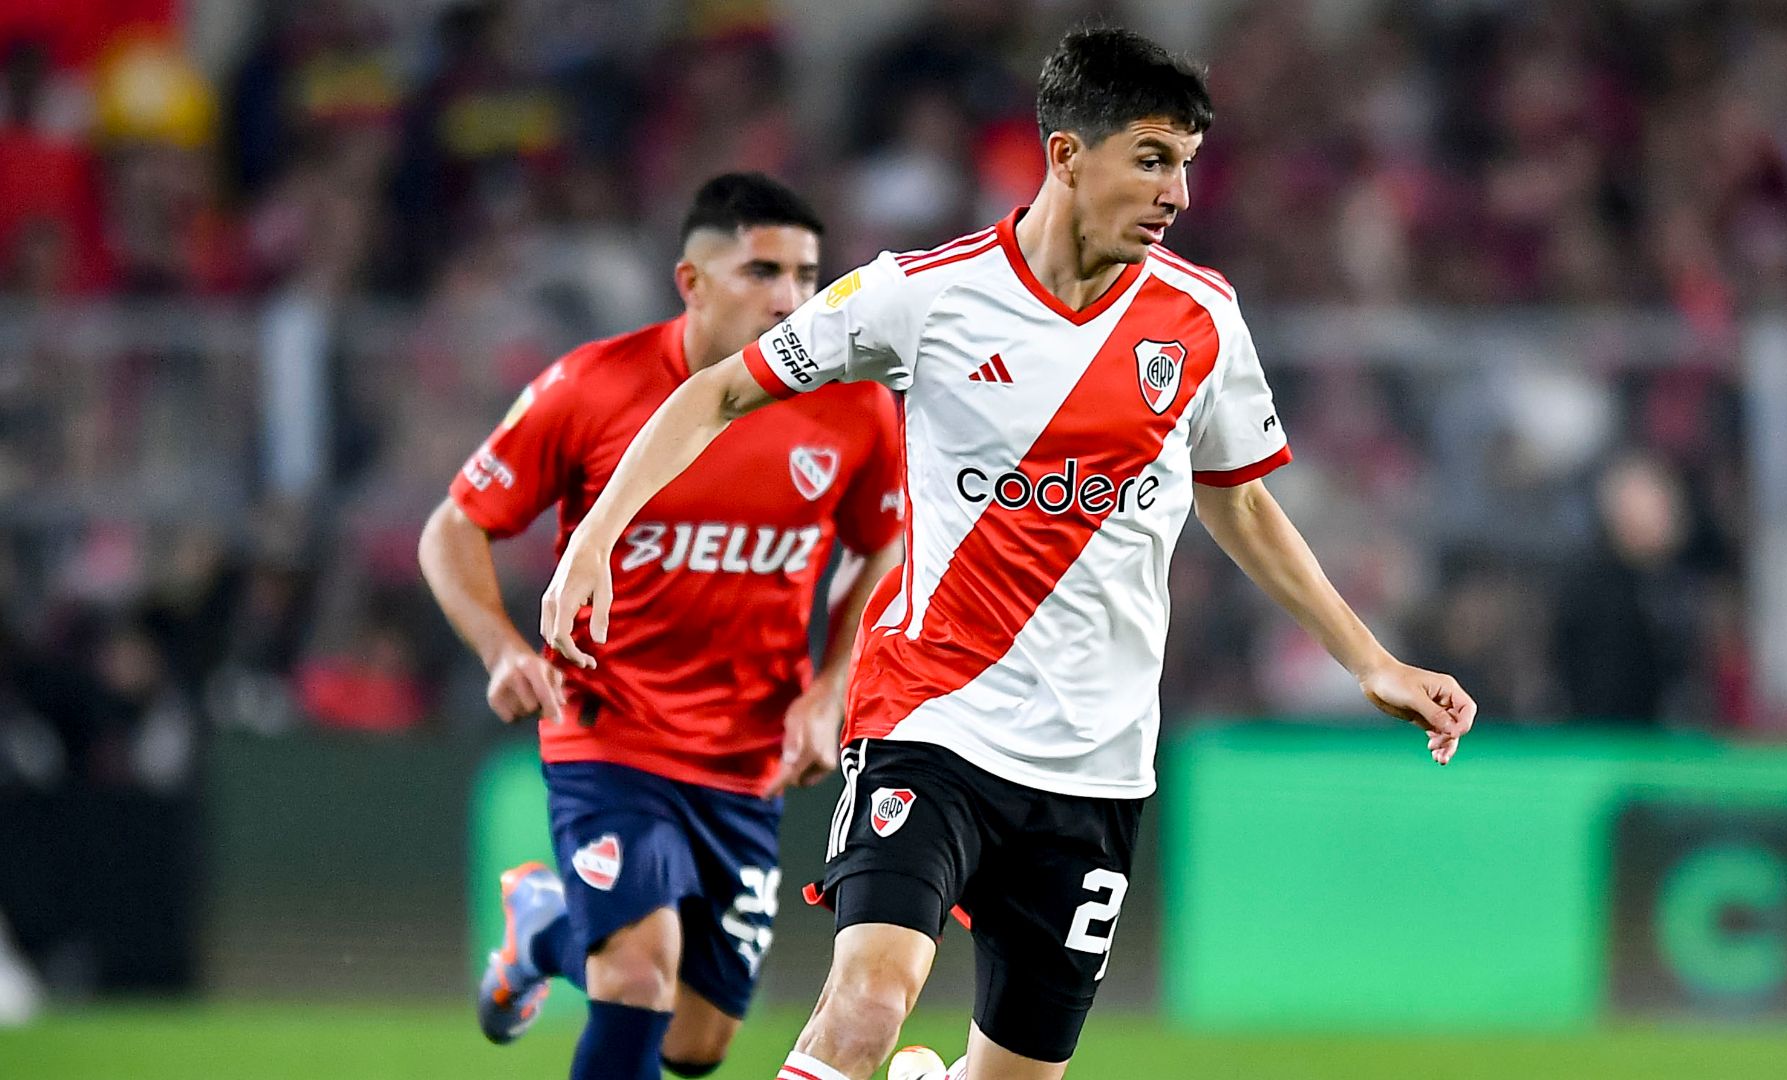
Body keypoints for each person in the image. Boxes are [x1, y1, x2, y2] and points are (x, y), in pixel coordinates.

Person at [539, 28, 1476, 1080]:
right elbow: (720, 389)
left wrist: (1370, 661)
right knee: (866, 1004)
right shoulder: (924, 295)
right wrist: (597, 538)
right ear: (1068, 154)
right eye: (1153, 158)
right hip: (932, 717)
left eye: (1187, 166)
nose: (1176, 191)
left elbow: (1242, 503)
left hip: (1099, 759)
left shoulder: (1202, 319)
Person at [418, 172, 905, 1080]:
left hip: (750, 752)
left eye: (808, 274)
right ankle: (582, 941)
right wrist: (502, 648)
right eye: (764, 271)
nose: (793, 298)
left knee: (696, 1041)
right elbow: (452, 527)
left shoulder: (855, 405)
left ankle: (544, 929)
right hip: (611, 730)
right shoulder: (594, 385)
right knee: (637, 978)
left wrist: (829, 689)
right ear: (692, 281)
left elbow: (880, 550)